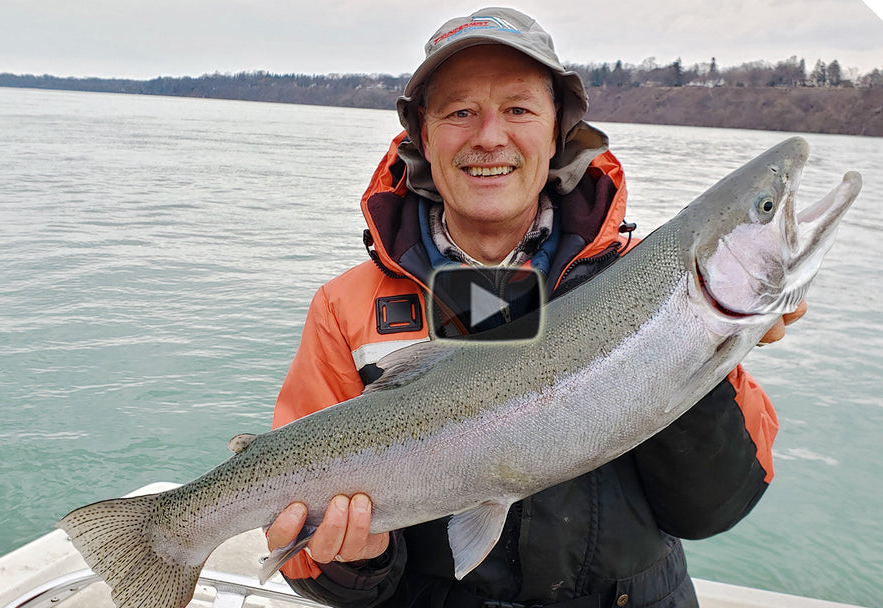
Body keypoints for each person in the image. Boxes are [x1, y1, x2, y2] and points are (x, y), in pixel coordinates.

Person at [266, 7, 803, 608]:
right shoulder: (346, 308)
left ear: (557, 132)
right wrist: (353, 562)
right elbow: (308, 565)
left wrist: (708, 351)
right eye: (460, 111)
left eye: (518, 109)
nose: (489, 136)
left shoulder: (653, 285)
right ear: (422, 133)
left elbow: (714, 507)